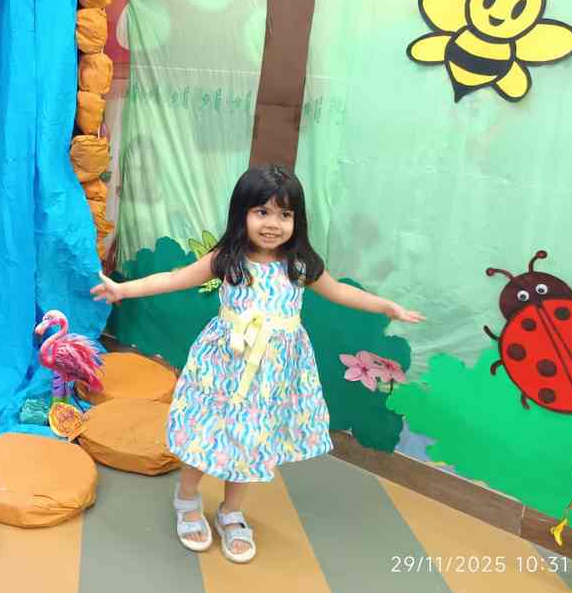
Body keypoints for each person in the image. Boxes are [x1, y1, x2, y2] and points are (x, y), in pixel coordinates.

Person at [91, 165, 424, 564]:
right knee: (206, 435)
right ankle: (187, 499)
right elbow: (174, 278)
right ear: (242, 213)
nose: (273, 224)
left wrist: (387, 306)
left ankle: (231, 512)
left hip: (272, 376)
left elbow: (339, 292)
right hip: (224, 366)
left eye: (285, 214)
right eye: (262, 212)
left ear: (297, 220)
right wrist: (123, 289)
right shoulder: (228, 259)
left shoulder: (299, 264)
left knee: (252, 441)